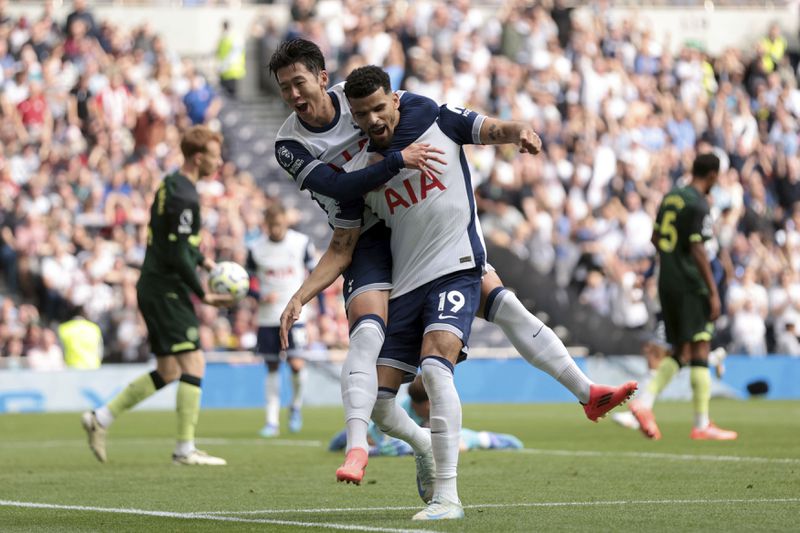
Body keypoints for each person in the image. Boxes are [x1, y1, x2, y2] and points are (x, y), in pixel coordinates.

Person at [269, 39, 636, 488]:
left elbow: (457, 121)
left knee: (498, 301)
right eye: (284, 87)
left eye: (298, 83)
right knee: (369, 340)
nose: (292, 95)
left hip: (421, 227)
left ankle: (585, 392)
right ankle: (384, 445)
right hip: (363, 232)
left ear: (324, 79)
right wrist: (398, 163)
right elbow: (338, 188)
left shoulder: (369, 98)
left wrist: (515, 129)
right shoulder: (290, 142)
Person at [81, 125, 234, 465]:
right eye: (214, 155)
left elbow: (175, 244)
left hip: (155, 284)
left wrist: (206, 262)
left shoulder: (171, 184)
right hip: (166, 289)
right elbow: (178, 253)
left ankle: (100, 418)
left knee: (168, 370)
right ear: (198, 158)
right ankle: (184, 449)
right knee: (194, 362)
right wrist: (203, 294)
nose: (219, 161)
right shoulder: (185, 197)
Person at [628, 153, 737, 441]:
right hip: (691, 284)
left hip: (668, 282)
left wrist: (671, 259)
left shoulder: (672, 197)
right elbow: (699, 249)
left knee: (682, 351)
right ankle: (700, 424)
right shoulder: (699, 202)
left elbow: (655, 239)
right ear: (713, 175)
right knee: (700, 346)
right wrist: (713, 290)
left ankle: (646, 403)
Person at [247, 202, 316, 437]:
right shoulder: (256, 249)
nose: (275, 229)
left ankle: (295, 406)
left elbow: (314, 275)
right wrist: (259, 295)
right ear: (265, 225)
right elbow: (245, 282)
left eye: (279, 224)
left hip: (297, 315)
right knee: (272, 366)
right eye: (271, 225)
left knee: (297, 364)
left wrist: (322, 309)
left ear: (285, 222)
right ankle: (272, 421)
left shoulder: (301, 243)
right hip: (267, 317)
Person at [329, 375, 523, 456]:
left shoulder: (440, 406)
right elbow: (378, 439)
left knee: (459, 441)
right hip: (375, 431)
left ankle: (492, 439)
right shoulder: (398, 411)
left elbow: (456, 438)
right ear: (415, 404)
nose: (432, 408)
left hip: (424, 435)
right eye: (427, 405)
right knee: (357, 436)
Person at [216, 20, 245, 98]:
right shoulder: (224, 38)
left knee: (232, 94)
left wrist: (223, 65)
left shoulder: (234, 37)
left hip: (232, 69)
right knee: (226, 94)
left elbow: (235, 54)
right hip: (226, 70)